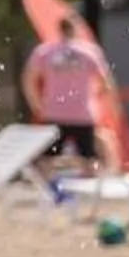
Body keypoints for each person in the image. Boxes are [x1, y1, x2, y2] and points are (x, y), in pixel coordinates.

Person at [23, 14, 116, 169]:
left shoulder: (45, 52)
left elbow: (27, 79)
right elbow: (107, 83)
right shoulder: (89, 52)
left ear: (59, 30)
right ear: (76, 29)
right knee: (88, 159)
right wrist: (99, 100)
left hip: (54, 112)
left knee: (47, 160)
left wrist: (36, 103)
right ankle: (90, 190)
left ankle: (48, 191)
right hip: (82, 112)